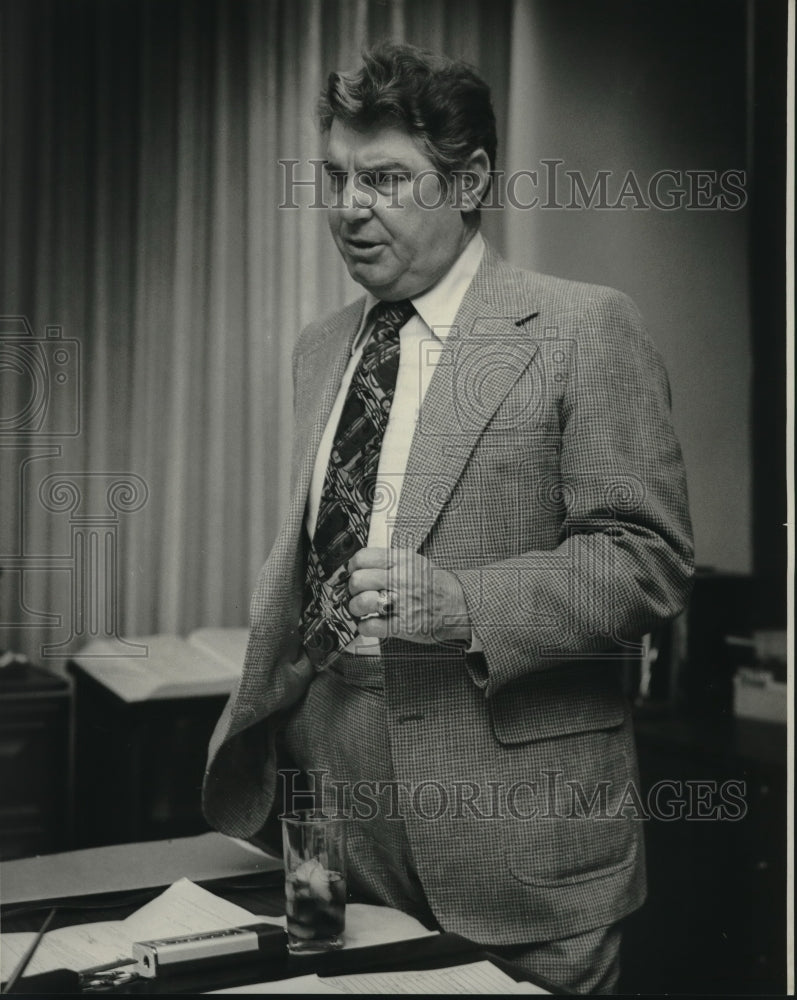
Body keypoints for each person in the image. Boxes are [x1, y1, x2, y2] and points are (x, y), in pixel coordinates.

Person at [203, 42, 693, 994]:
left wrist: (466, 601)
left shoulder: (583, 327)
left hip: (517, 859)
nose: (348, 208)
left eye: (384, 178)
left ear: (467, 183)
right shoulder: (321, 347)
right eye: (334, 178)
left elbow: (649, 558)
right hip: (332, 840)